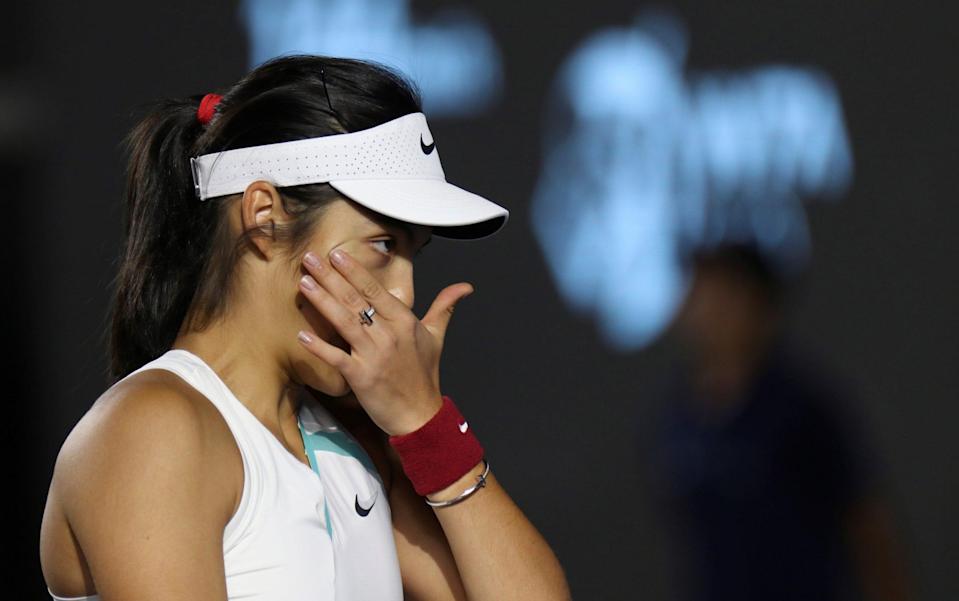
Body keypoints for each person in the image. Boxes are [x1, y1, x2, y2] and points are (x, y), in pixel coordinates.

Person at [39, 55, 571, 601]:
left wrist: (425, 424)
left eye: (415, 253)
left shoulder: (356, 442)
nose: (405, 296)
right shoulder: (152, 428)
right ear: (264, 215)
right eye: (384, 245)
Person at [651, 243, 911, 601]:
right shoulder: (677, 420)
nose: (707, 311)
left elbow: (868, 526)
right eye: (699, 293)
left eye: (725, 297)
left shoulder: (802, 409)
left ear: (761, 308)